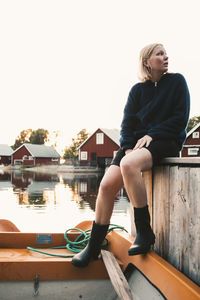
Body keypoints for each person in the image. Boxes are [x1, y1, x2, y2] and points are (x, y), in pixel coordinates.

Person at [72, 43, 190, 267]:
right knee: (106, 186)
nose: (166, 57)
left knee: (128, 166)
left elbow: (180, 119)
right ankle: (93, 246)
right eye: (159, 54)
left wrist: (153, 135)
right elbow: (127, 124)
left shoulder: (177, 82)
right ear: (147, 61)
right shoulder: (137, 91)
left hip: (166, 140)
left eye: (165, 53)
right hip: (135, 145)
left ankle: (144, 233)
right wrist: (126, 147)